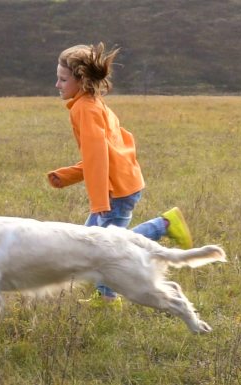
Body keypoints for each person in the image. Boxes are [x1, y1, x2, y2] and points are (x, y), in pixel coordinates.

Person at [48, 42, 193, 302]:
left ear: (81, 80)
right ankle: (106, 298)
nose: (57, 85)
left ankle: (164, 225)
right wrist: (68, 175)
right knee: (91, 245)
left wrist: (100, 200)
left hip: (116, 190)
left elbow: (97, 157)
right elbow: (105, 153)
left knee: (110, 247)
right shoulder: (91, 102)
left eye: (62, 79)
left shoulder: (86, 109)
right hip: (120, 182)